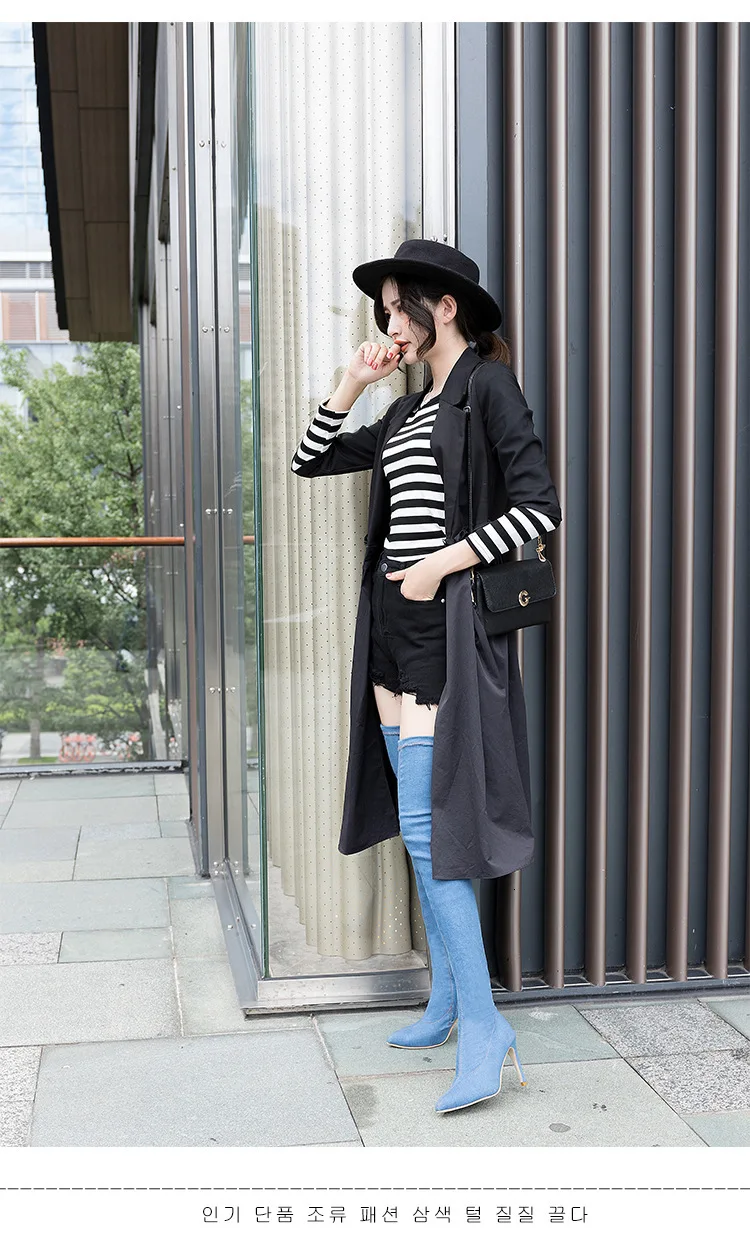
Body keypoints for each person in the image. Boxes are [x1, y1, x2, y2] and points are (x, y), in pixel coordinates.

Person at [291, 239, 562, 1113]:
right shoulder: (407, 408)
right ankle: (448, 1000)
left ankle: (484, 1024)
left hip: (445, 628)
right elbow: (310, 459)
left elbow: (540, 507)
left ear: (443, 306)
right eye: (381, 312)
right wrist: (351, 384)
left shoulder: (487, 388)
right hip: (389, 630)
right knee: (419, 830)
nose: (389, 325)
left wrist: (439, 565)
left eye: (397, 308)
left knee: (427, 821)